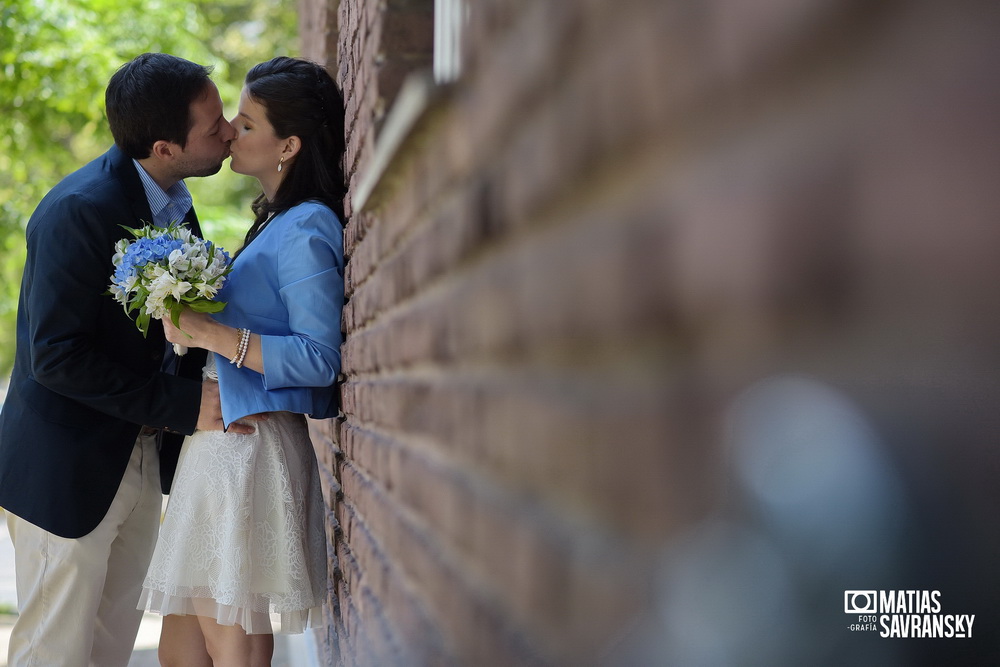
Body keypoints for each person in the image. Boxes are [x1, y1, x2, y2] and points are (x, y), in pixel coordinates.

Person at [0, 53, 258, 666]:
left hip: (139, 454)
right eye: (214, 124)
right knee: (55, 650)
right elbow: (57, 356)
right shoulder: (78, 210)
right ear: (166, 146)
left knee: (111, 645)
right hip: (69, 466)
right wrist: (185, 405)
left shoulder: (173, 201)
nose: (229, 131)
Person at [138, 56, 346, 667]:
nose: (230, 129)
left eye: (247, 123)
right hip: (220, 442)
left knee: (232, 642)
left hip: (249, 450)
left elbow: (318, 359)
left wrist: (210, 332)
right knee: (181, 647)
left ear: (288, 145)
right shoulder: (275, 222)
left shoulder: (308, 226)